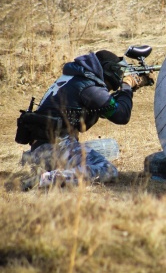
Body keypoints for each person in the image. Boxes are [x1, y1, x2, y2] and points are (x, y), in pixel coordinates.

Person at [16, 49, 154, 187]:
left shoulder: (75, 79)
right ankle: (46, 179)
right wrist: (127, 86)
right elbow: (121, 115)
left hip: (43, 147)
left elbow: (104, 105)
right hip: (55, 149)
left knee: (111, 147)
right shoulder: (89, 87)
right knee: (108, 170)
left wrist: (130, 89)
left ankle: (34, 160)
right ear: (109, 70)